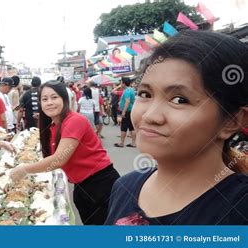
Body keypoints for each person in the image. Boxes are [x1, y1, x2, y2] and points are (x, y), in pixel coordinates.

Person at [105, 31, 248, 225]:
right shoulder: (124, 187)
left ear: (231, 121)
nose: (150, 116)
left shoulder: (238, 211)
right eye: (145, 94)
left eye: (179, 100)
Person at [10, 81, 120, 225]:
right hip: (81, 186)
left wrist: (25, 169)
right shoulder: (53, 125)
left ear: (64, 99)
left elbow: (59, 159)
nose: (49, 102)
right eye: (44, 99)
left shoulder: (75, 120)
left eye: (54, 97)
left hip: (101, 185)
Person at [114, 77, 136, 148]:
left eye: (121, 82)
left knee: (123, 127)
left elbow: (127, 101)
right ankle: (133, 143)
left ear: (124, 83)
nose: (121, 84)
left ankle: (122, 143)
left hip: (127, 111)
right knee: (132, 127)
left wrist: (123, 112)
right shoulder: (132, 90)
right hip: (131, 110)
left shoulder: (126, 91)